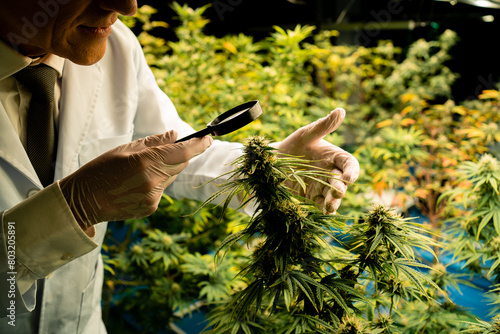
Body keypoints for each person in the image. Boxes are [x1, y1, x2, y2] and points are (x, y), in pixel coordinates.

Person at [0, 1, 360, 333]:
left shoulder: (115, 47)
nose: (128, 5)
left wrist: (267, 167)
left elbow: (172, 152)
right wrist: (68, 211)